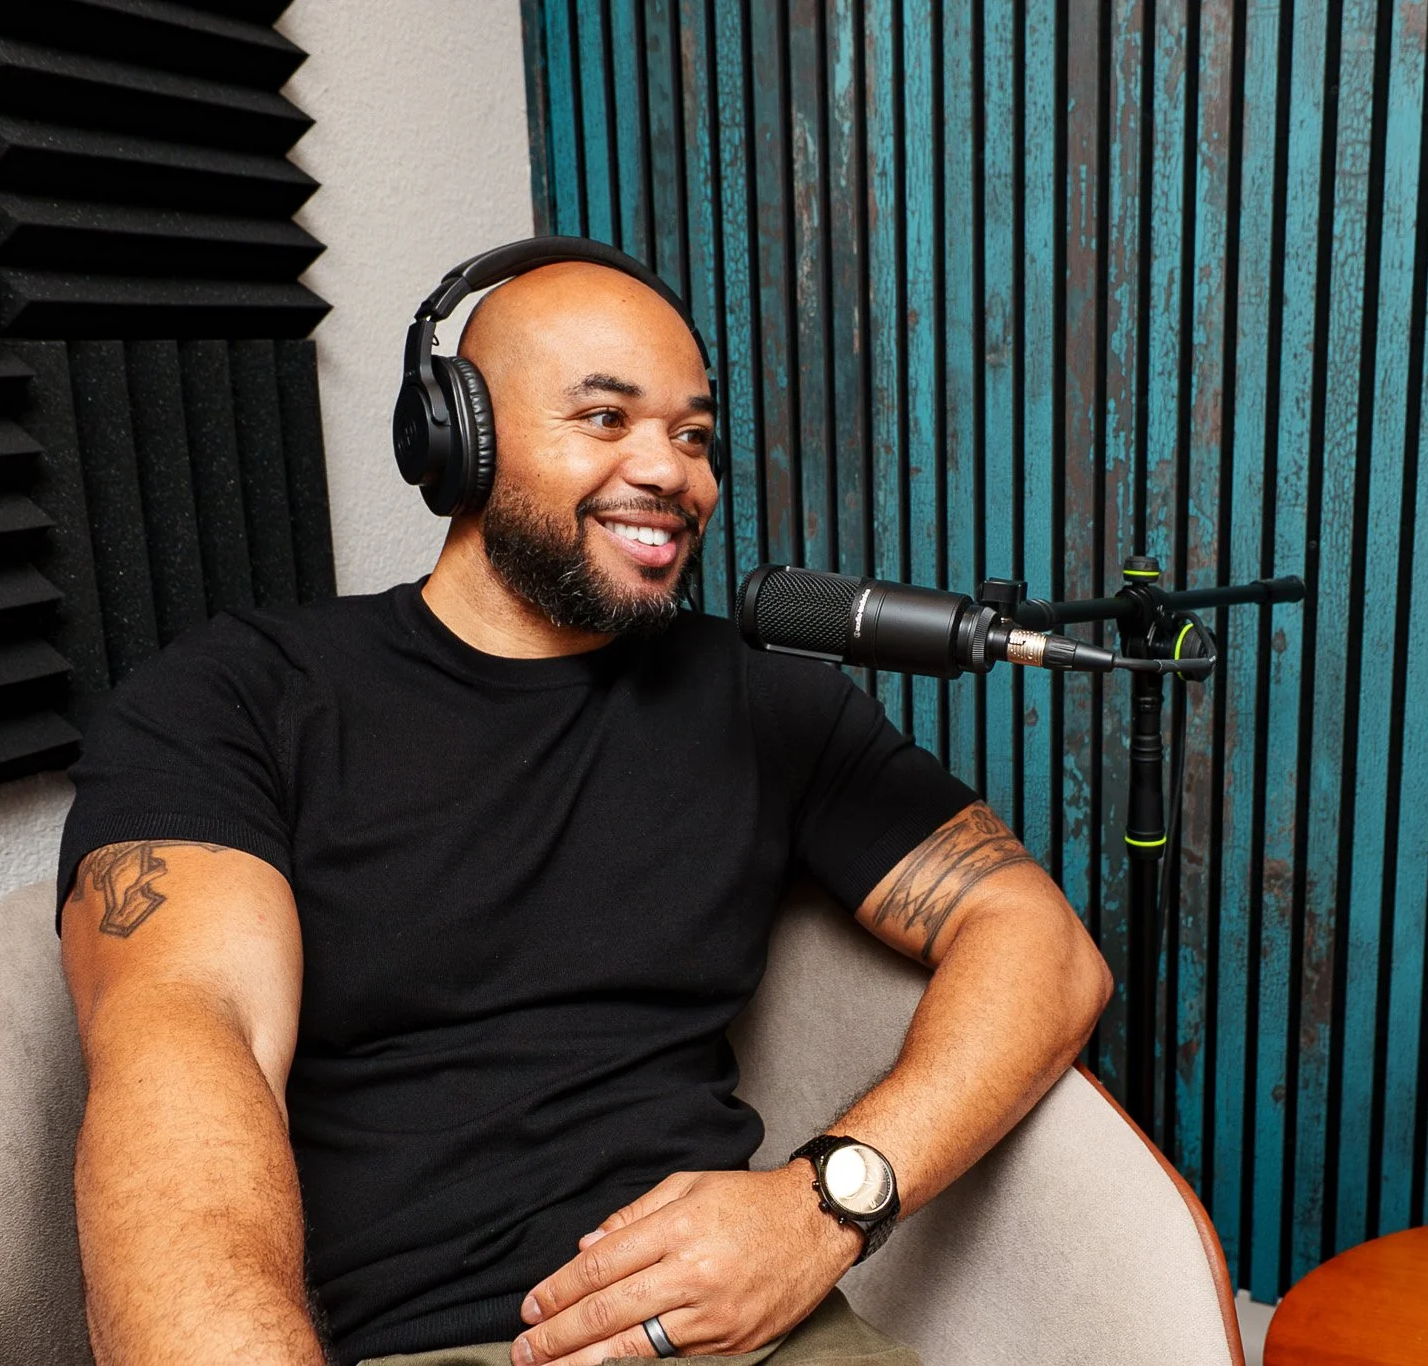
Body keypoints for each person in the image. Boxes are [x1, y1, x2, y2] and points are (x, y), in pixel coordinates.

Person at [57, 240, 1113, 1366]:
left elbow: (1042, 946)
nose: (670, 471)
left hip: (757, 1326)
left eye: (694, 434)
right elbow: (182, 1049)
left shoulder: (765, 696)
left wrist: (820, 1205)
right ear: (455, 438)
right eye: (604, 419)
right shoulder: (240, 696)